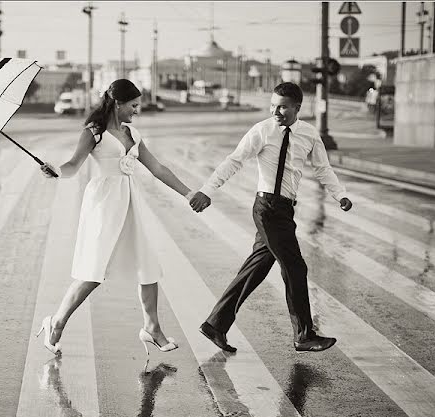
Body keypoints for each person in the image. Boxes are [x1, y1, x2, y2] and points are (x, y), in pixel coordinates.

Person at [187, 81, 353, 353]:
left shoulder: (309, 135)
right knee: (295, 267)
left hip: (285, 209)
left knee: (256, 268)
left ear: (297, 108)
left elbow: (323, 169)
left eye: (283, 107)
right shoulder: (262, 131)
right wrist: (207, 190)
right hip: (266, 208)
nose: (277, 111)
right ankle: (304, 335)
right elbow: (234, 160)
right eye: (273, 106)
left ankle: (215, 324)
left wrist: (340, 194)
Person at [37, 79, 194, 358]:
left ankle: (152, 328)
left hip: (130, 198)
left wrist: (188, 193)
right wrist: (56, 171)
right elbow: (73, 165)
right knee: (93, 271)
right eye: (133, 105)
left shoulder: (133, 133)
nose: (137, 110)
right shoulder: (94, 132)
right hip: (104, 201)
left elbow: (157, 168)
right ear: (118, 103)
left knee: (147, 264)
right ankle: (56, 323)